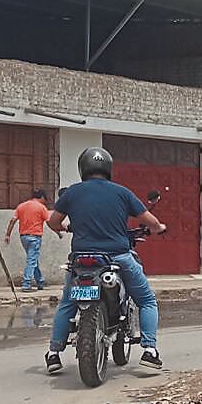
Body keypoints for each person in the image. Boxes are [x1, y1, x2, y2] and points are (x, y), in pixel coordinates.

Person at [44, 147, 166, 375]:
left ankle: (53, 354)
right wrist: (159, 228)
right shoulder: (122, 192)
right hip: (117, 257)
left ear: (83, 168)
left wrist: (67, 227)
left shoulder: (72, 193)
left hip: (81, 260)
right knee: (147, 300)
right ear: (108, 168)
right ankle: (150, 350)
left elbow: (53, 222)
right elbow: (150, 220)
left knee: (68, 303)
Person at [3, 188, 60, 291]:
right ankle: (26, 283)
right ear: (42, 197)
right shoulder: (41, 208)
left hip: (24, 237)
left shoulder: (21, 206)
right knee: (31, 260)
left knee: (33, 259)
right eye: (45, 199)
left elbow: (13, 220)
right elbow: (49, 223)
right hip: (35, 238)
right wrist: (58, 233)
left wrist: (8, 234)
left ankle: (40, 281)